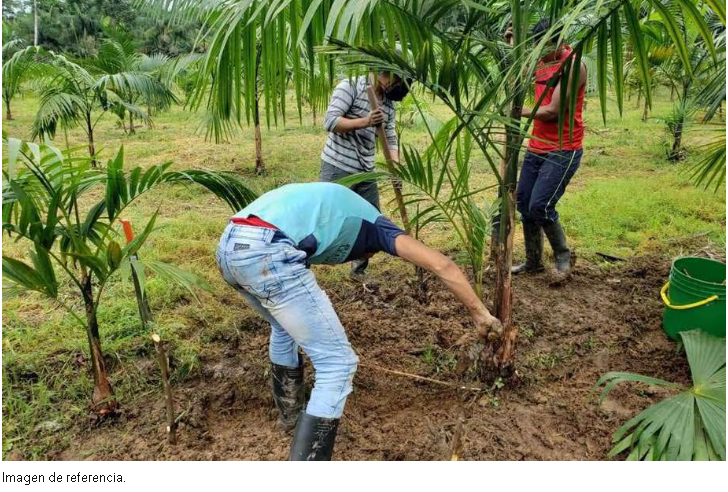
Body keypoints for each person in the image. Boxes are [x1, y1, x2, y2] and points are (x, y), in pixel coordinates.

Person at [216, 182, 502, 460]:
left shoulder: (332, 210)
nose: (363, 257)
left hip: (230, 247)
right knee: (337, 364)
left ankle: (290, 417)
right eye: (368, 254)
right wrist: (480, 314)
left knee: (282, 326)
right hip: (267, 250)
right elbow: (442, 264)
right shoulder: (377, 227)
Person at [507, 19, 587, 275]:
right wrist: (511, 44)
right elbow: (518, 72)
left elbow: (553, 111)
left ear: (560, 42)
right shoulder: (541, 60)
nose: (541, 53)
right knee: (524, 202)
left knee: (541, 205)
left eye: (547, 46)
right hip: (538, 145)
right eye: (537, 46)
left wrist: (517, 111)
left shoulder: (573, 65)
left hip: (564, 148)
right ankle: (533, 262)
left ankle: (563, 256)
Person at [318, 70, 411, 282]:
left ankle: (358, 270)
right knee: (324, 218)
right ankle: (303, 261)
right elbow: (330, 122)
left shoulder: (388, 101)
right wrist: (365, 121)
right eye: (398, 79)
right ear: (383, 73)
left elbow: (389, 135)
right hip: (338, 165)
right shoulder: (350, 86)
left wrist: (395, 166)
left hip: (366, 168)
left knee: (371, 219)